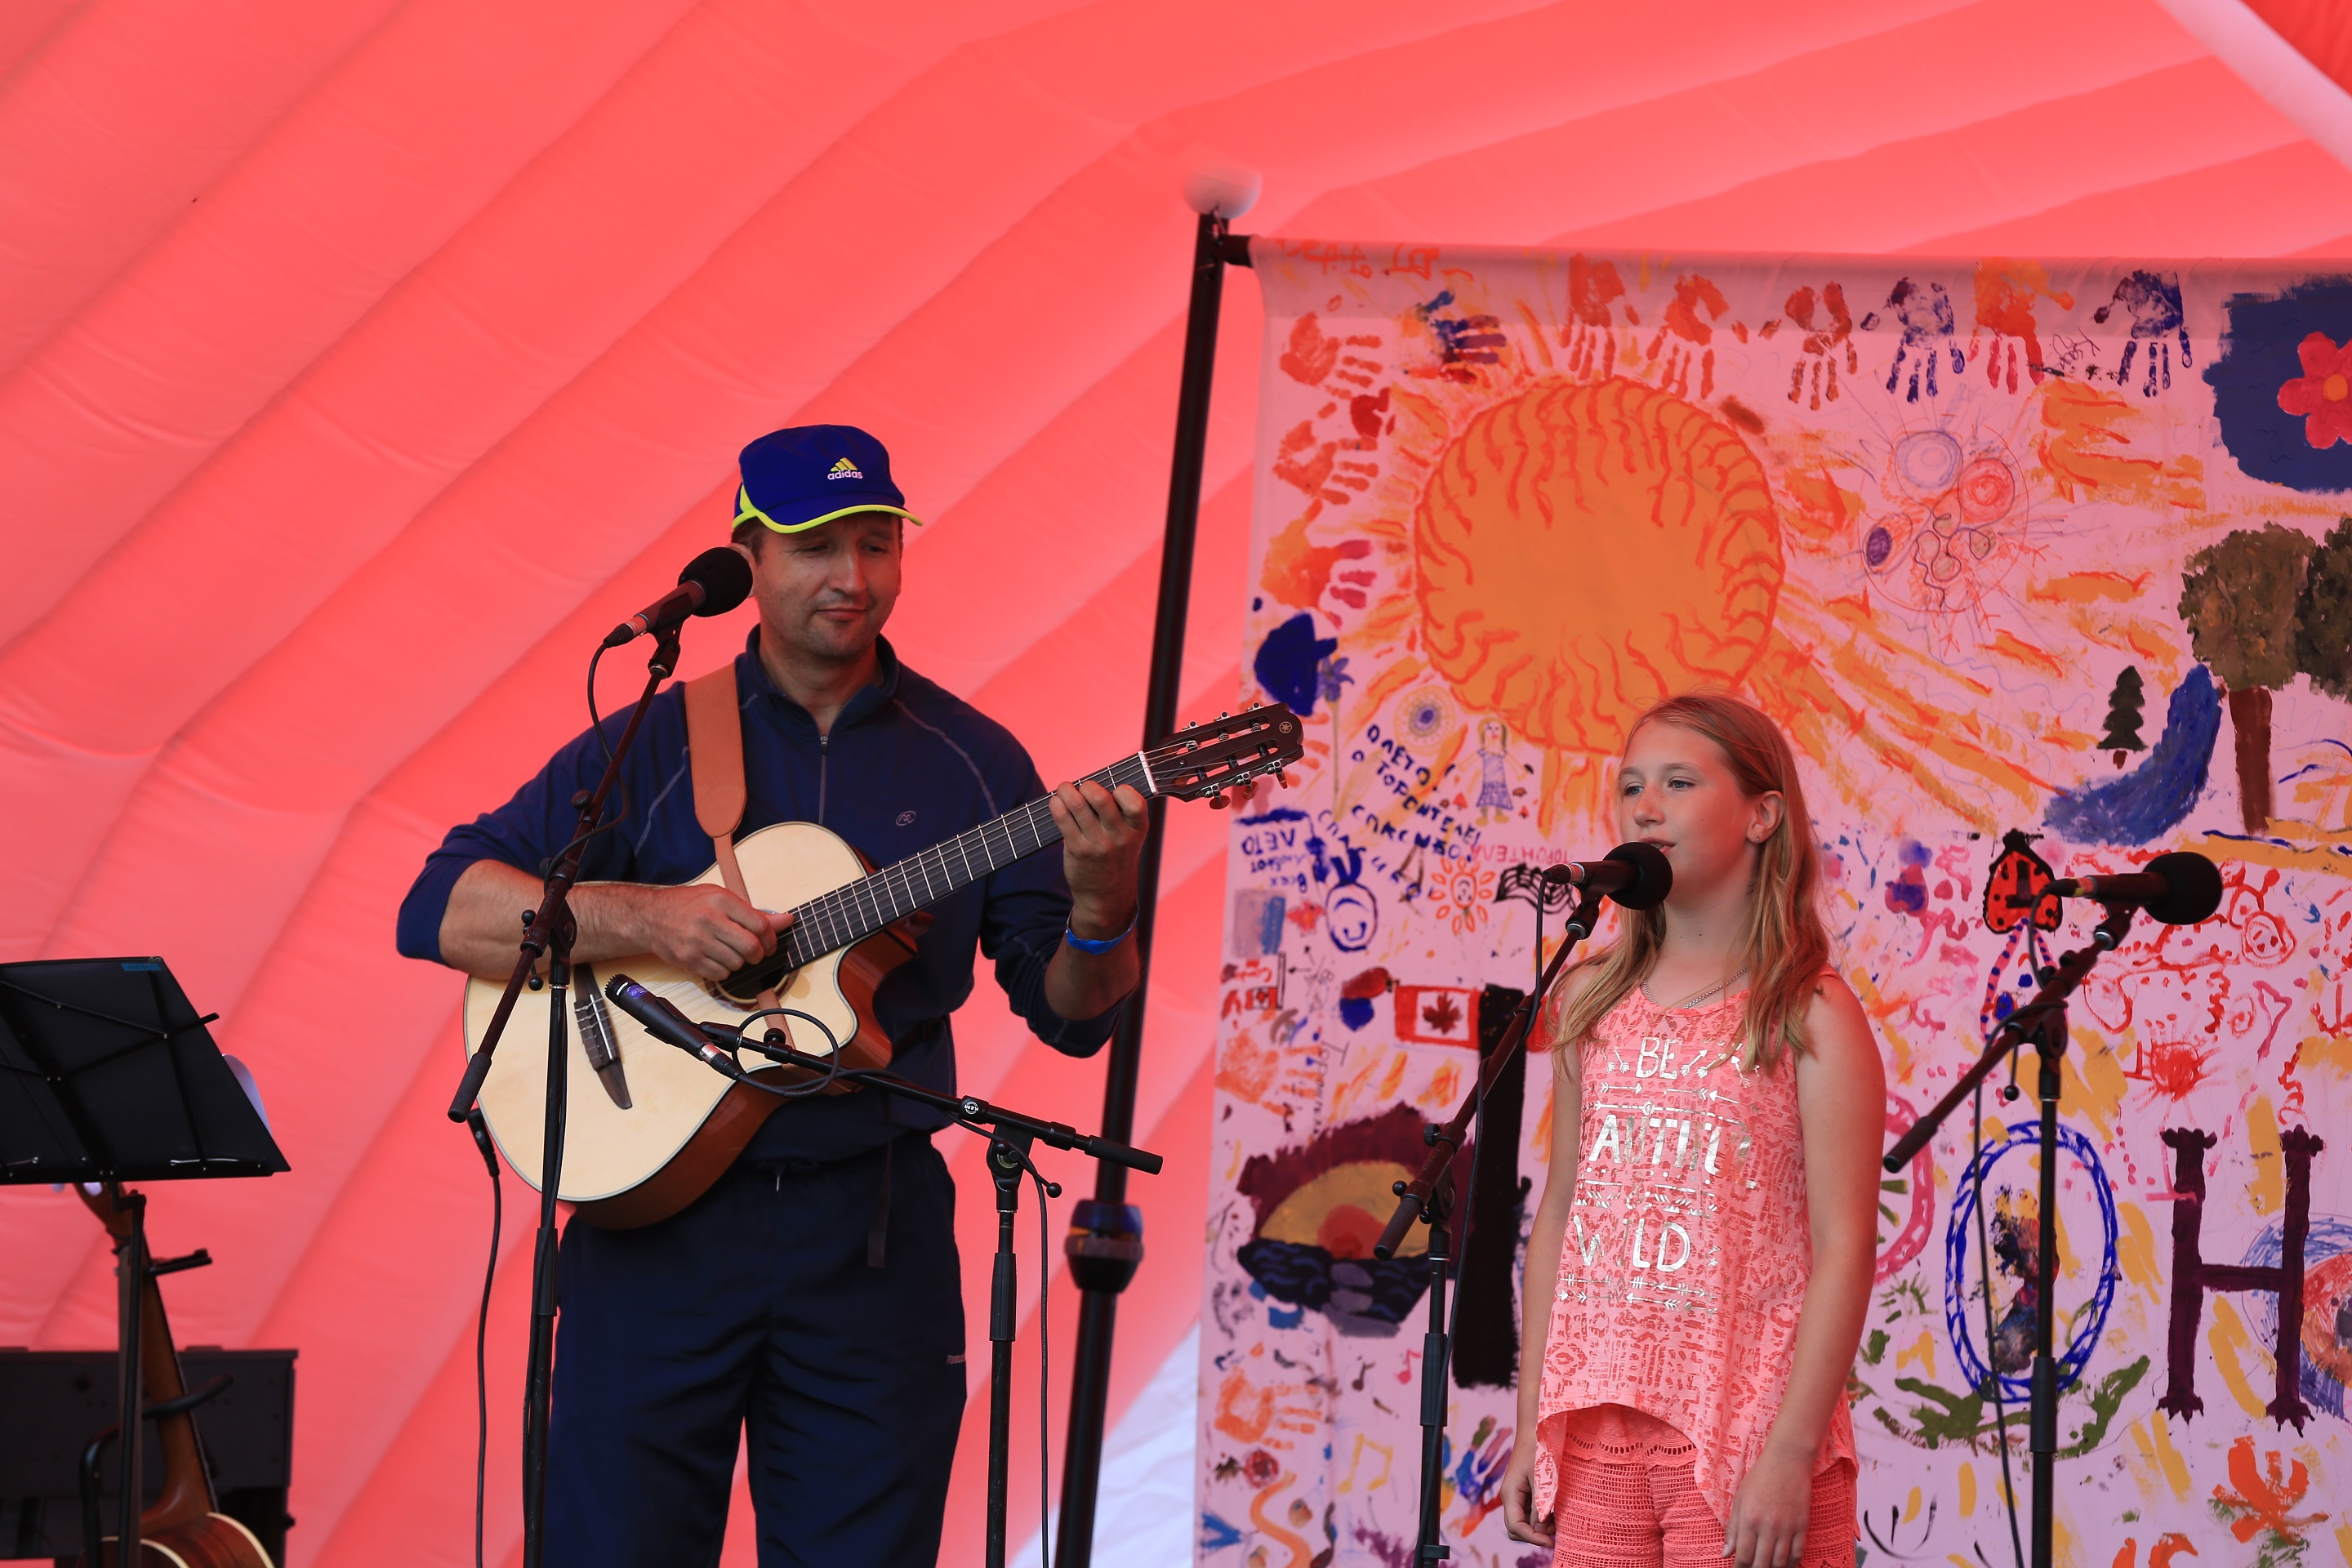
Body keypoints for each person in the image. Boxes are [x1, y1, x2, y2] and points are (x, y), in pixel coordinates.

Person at [396, 425, 1152, 1566]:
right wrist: (648, 919)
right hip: (655, 1233)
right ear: (746, 556)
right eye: (815, 547)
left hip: (873, 1236)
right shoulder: (653, 740)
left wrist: (1102, 904)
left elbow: (1075, 1017)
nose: (853, 576)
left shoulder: (976, 763)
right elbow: (440, 907)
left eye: (877, 544)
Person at [1500, 692, 1882, 1568]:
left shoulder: (1809, 1013)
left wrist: (1791, 1451)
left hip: (1749, 1436)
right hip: (1595, 1435)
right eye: (1631, 785)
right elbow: (1560, 1213)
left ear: (1762, 815)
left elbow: (1846, 1244)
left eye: (1678, 782)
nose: (1645, 806)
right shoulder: (1590, 1000)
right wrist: (1532, 1426)